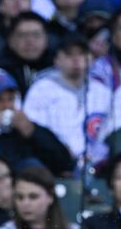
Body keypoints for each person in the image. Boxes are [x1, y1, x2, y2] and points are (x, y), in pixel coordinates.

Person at [23, 34, 111, 164]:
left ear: (90, 59)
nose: (76, 59)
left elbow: (108, 130)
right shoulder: (42, 88)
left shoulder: (102, 91)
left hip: (96, 163)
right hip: (55, 161)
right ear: (57, 60)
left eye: (81, 54)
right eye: (69, 54)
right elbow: (34, 130)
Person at [0, 73, 74, 175]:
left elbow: (65, 162)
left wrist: (33, 132)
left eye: (10, 99)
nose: (6, 106)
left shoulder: (24, 128)